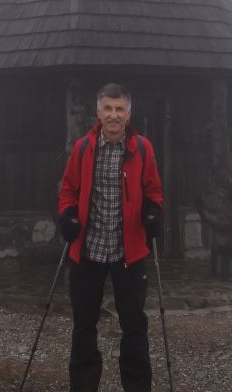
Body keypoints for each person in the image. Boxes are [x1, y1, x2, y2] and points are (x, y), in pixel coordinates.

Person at [58, 83, 164, 392]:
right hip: (88, 249)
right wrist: (67, 215)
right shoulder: (82, 148)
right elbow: (67, 190)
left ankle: (137, 386)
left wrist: (154, 211)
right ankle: (83, 386)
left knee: (134, 325)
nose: (114, 115)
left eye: (120, 109)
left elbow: (153, 190)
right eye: (108, 108)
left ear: (129, 114)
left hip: (127, 252)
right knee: (84, 324)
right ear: (98, 112)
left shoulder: (143, 148)